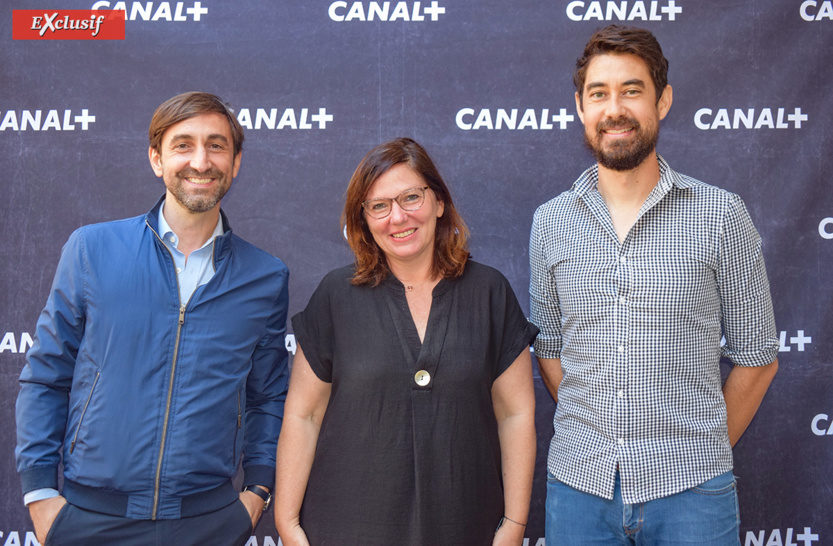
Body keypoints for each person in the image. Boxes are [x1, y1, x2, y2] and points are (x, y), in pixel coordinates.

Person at [529, 25, 779, 545]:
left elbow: (758, 358)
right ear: (580, 106)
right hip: (580, 489)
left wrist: (700, 451)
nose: (614, 108)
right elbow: (550, 350)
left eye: (632, 90)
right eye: (599, 93)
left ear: (662, 101)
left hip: (694, 493)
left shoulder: (720, 215)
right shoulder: (551, 222)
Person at [15, 91, 289, 546]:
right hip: (88, 519)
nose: (200, 160)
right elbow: (46, 375)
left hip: (211, 523)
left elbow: (267, 396)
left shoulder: (265, 276)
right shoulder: (91, 250)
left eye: (216, 145)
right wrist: (41, 494)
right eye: (183, 145)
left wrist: (257, 490)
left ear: (236, 162)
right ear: (156, 159)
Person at [274, 137, 538, 546]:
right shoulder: (335, 295)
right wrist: (288, 524)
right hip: (346, 528)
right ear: (363, 220)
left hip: (465, 526)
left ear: (439, 202)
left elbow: (516, 413)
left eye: (411, 197)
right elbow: (303, 415)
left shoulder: (489, 292)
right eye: (379, 206)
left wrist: (514, 525)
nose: (397, 217)